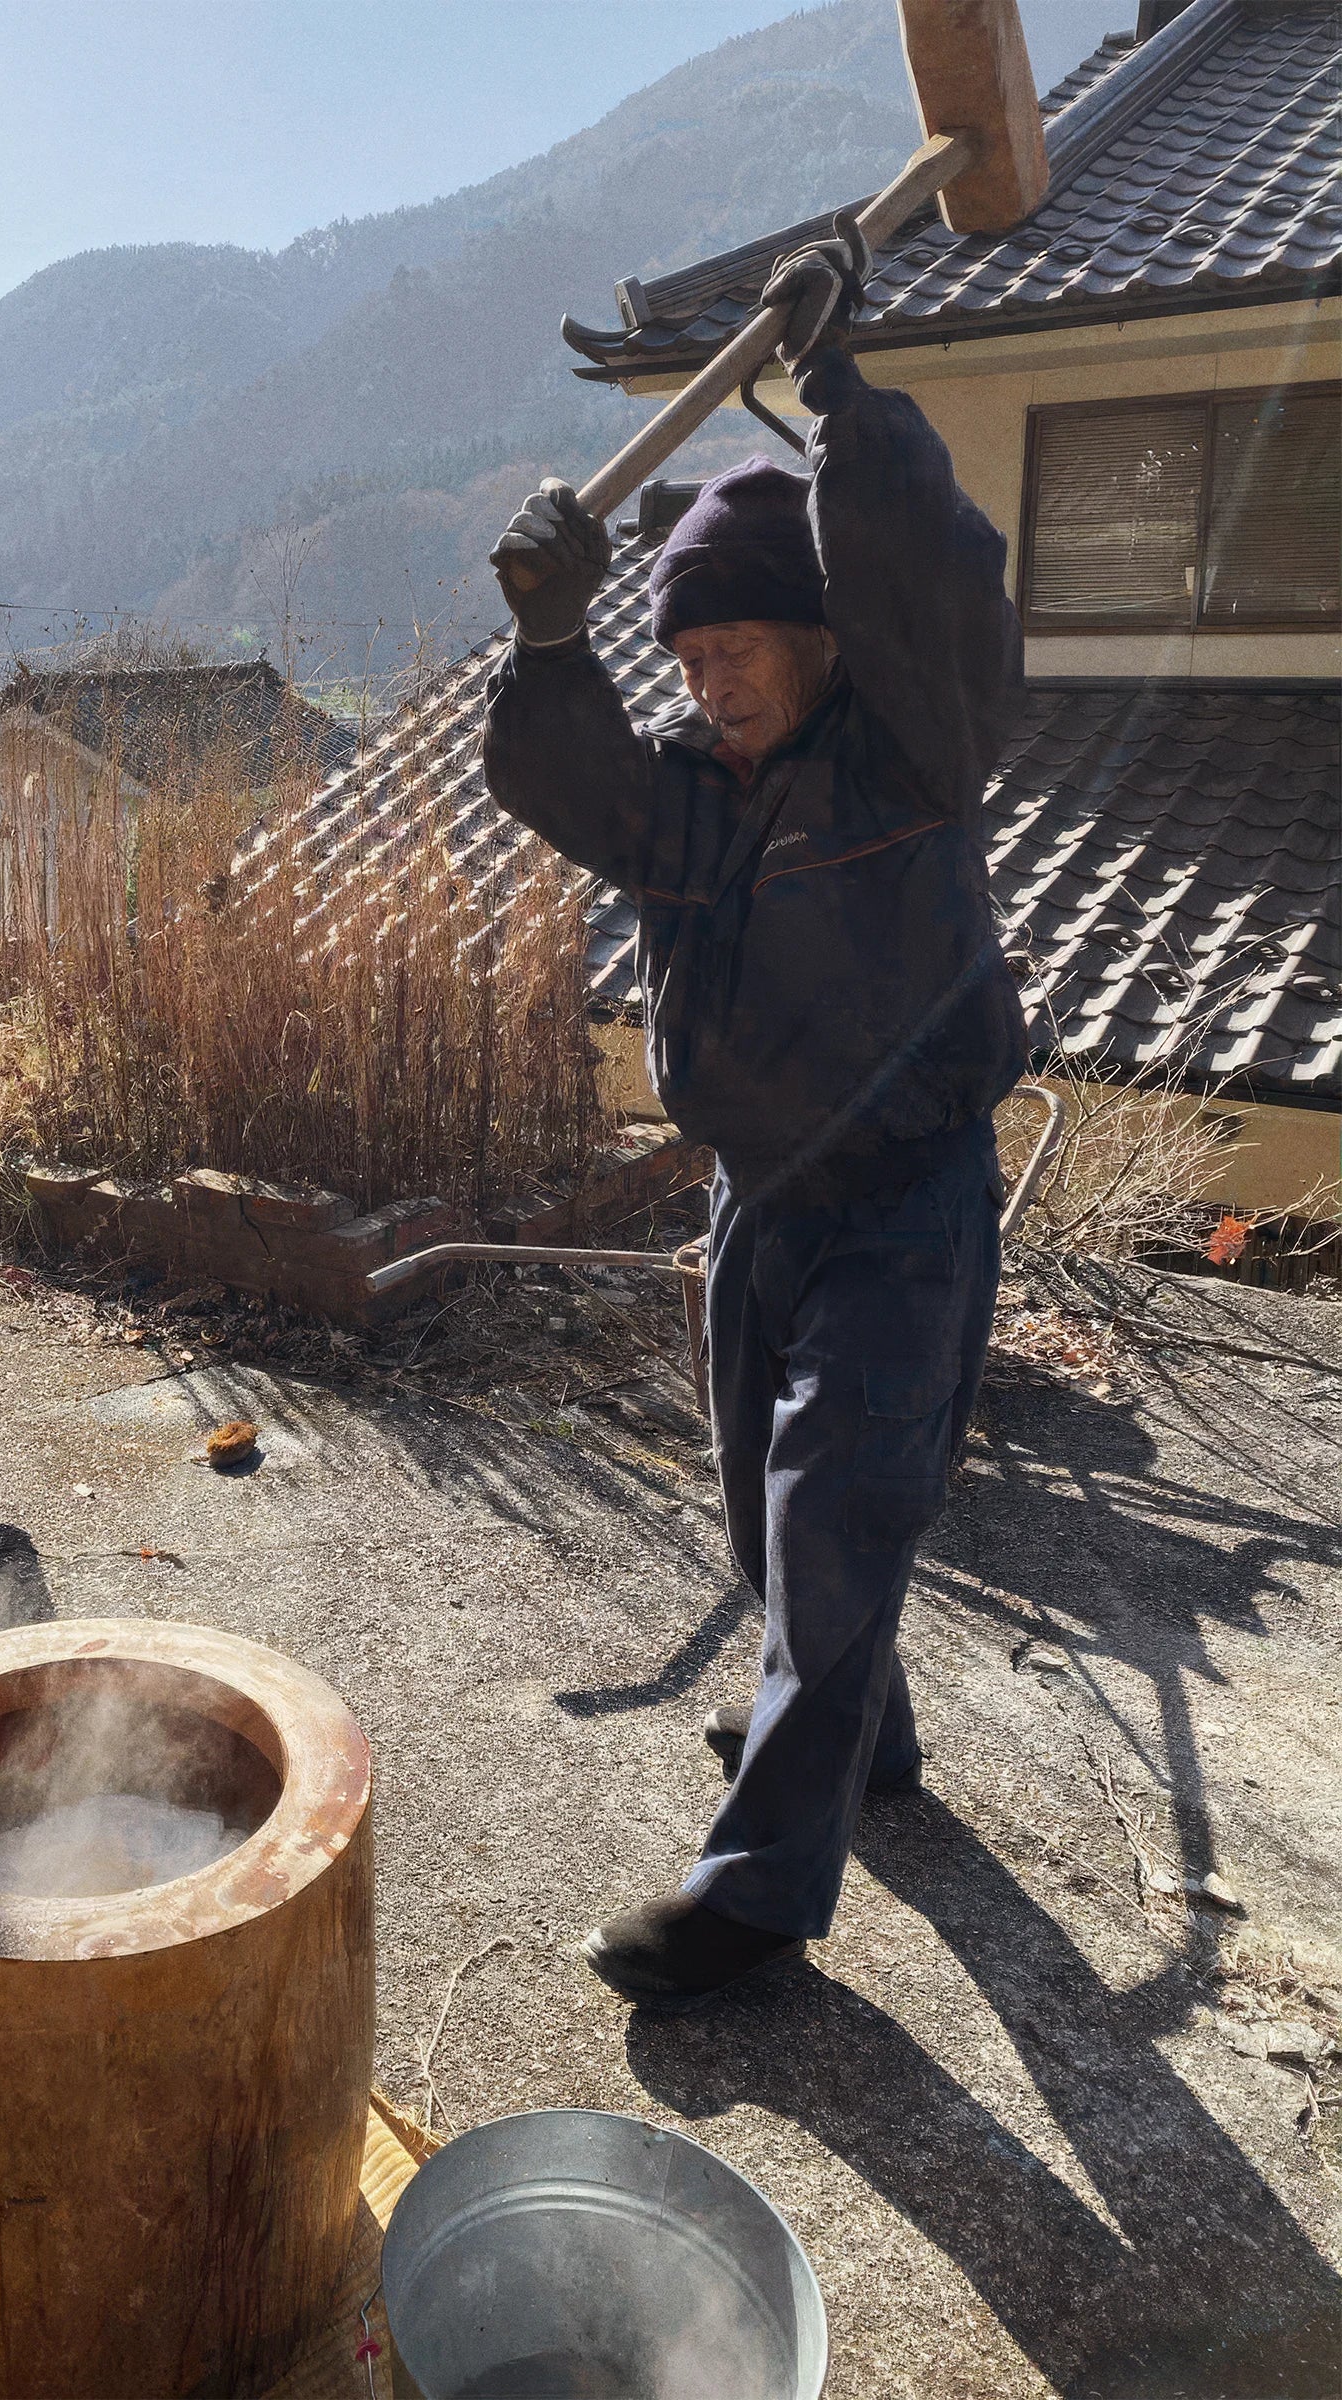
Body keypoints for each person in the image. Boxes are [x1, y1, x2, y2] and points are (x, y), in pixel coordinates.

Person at [482, 223, 1029, 2006]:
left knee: (836, 1510)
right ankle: (862, 1738)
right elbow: (567, 777)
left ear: (817, 639)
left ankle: (759, 1904)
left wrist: (847, 401)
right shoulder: (698, 807)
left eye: (735, 646)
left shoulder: (909, 755)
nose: (704, 677)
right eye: (683, 650)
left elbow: (927, 585)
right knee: (770, 1515)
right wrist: (554, 637)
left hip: (906, 1201)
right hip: (759, 1204)